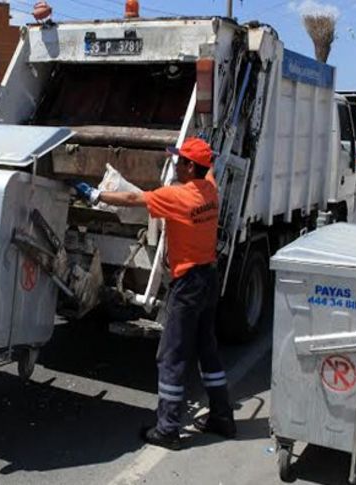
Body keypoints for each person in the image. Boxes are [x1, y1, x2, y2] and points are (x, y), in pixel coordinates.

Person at [73, 137, 235, 450]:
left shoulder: (178, 197)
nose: (174, 163)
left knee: (170, 356)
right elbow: (210, 166)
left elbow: (135, 198)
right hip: (208, 279)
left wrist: (96, 194)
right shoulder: (211, 190)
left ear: (190, 166)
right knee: (207, 349)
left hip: (187, 284)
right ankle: (222, 417)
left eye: (180, 160)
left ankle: (169, 429)